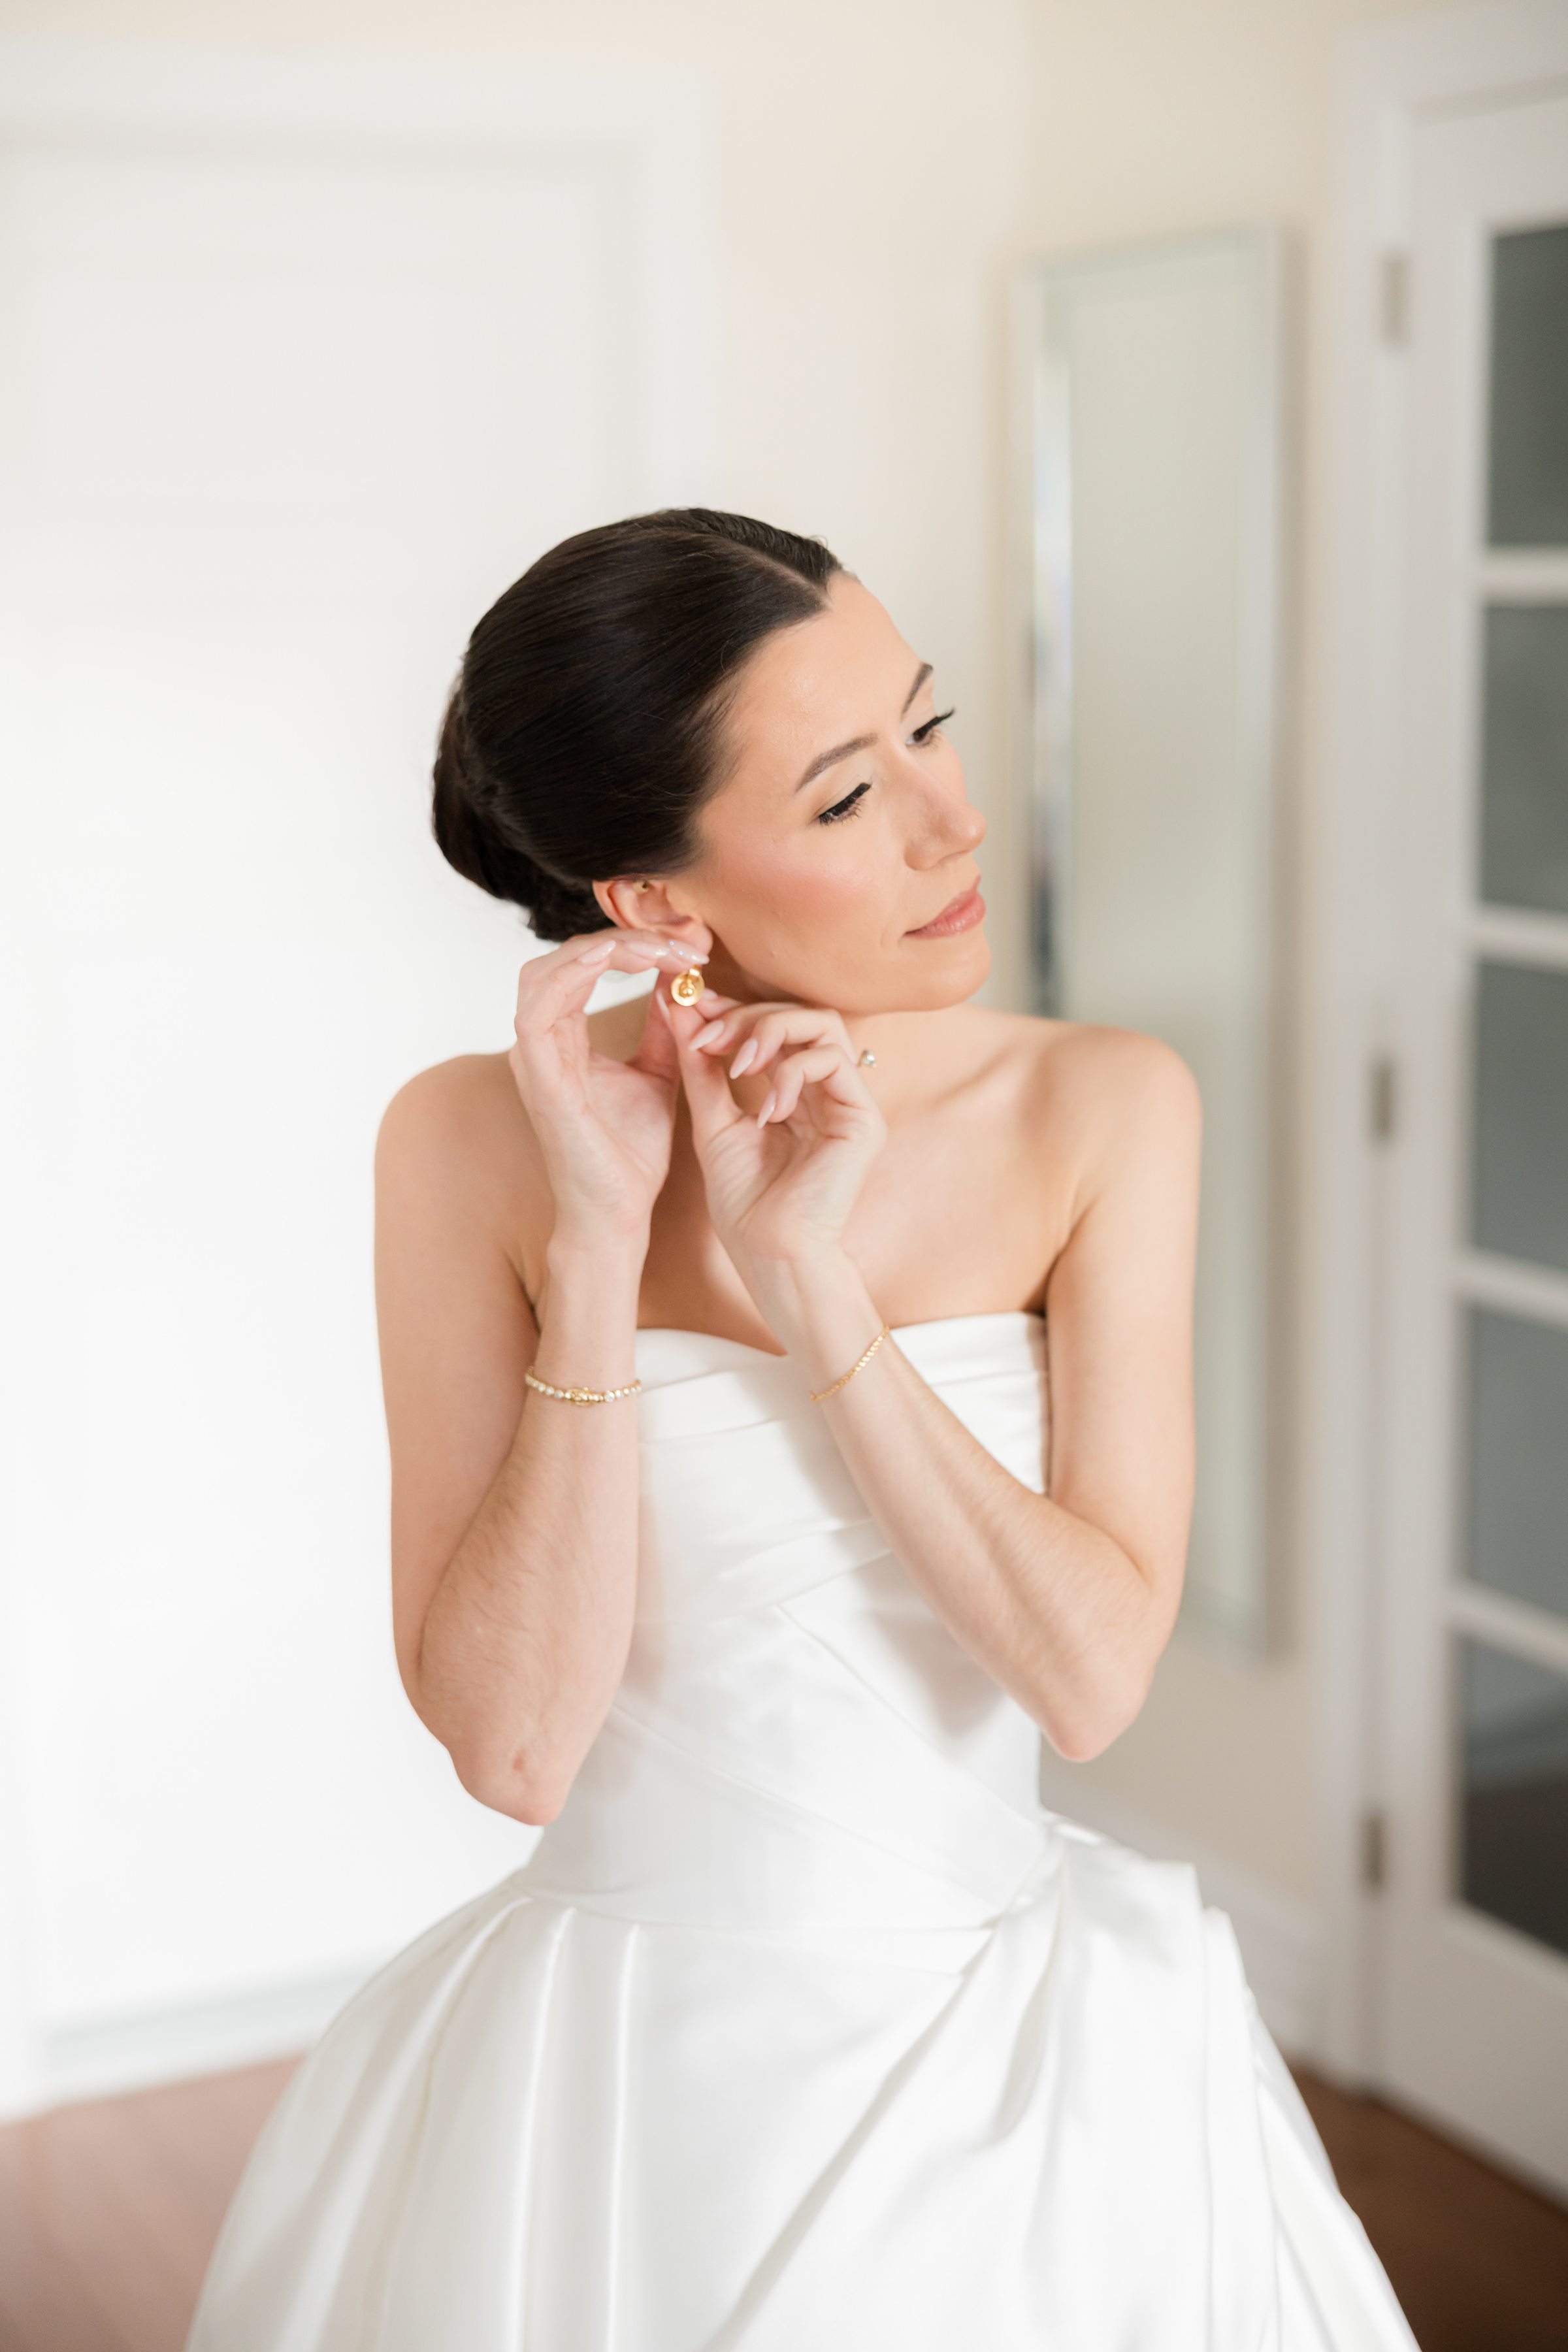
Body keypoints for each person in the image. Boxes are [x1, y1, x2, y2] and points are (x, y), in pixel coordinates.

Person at [186, 508, 1417, 2349]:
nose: (955, 819)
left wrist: (812, 1281)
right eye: (850, 798)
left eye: (930, 726)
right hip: (607, 2092)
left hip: (1026, 2088)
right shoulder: (463, 1148)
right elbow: (518, 1751)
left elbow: (1088, 1682)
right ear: (655, 904)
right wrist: (600, 1243)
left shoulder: (1097, 1108)